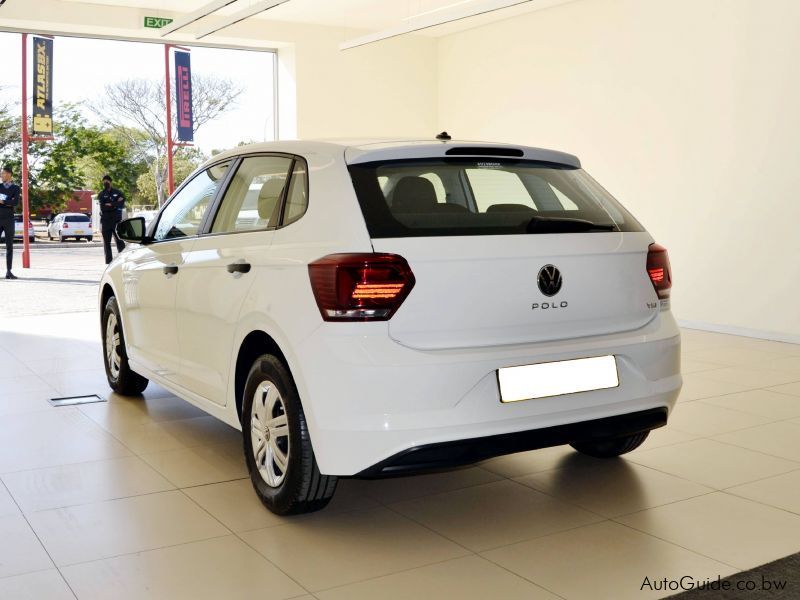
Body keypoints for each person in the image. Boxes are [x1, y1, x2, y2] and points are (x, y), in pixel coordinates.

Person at [98, 174, 126, 264]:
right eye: (104, 182)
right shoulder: (101, 194)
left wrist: (111, 204)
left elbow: (121, 204)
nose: (105, 183)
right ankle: (108, 261)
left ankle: (123, 259)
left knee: (119, 241)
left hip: (116, 220)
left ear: (110, 182)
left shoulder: (118, 192)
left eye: (107, 181)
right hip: (106, 221)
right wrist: (115, 203)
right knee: (107, 242)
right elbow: (103, 207)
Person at [0, 166, 21, 280]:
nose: (1, 175)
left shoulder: (15, 188)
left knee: (9, 246)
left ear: (9, 174)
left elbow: (15, 202)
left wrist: (3, 201)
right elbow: (11, 201)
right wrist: (8, 202)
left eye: (2, 173)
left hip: (9, 220)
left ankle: (9, 271)